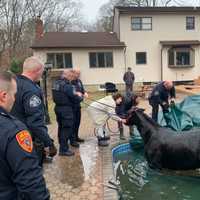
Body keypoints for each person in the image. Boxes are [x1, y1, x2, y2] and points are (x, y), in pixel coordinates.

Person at [0, 71, 50, 200]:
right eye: (14, 94)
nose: (15, 99)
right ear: (4, 96)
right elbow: (31, 183)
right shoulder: (14, 131)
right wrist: (48, 142)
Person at [11, 57, 57, 166]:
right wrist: (49, 143)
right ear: (37, 71)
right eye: (41, 72)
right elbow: (35, 123)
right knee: (33, 173)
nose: (41, 75)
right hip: (28, 140)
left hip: (12, 137)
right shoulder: (31, 90)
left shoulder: (13, 83)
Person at [52, 69, 83, 156]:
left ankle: (62, 144)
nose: (71, 78)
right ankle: (63, 149)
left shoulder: (56, 83)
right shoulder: (67, 86)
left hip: (58, 108)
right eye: (71, 76)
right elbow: (75, 97)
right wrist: (80, 96)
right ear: (68, 76)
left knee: (61, 128)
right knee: (66, 129)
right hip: (66, 110)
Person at [71, 68, 88, 143]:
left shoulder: (79, 81)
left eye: (79, 74)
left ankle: (76, 136)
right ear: (73, 73)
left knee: (77, 122)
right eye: (77, 74)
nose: (78, 75)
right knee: (73, 123)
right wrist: (79, 95)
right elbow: (72, 93)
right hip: (72, 106)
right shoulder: (70, 82)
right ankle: (72, 139)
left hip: (78, 105)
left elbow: (82, 90)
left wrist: (85, 93)